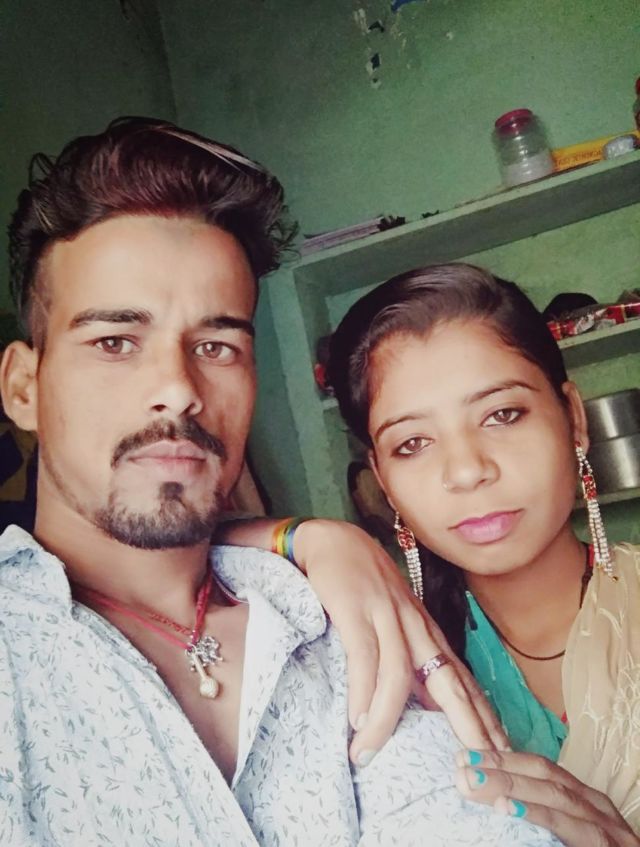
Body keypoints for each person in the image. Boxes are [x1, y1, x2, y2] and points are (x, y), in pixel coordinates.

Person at [0, 118, 558, 846]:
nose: (178, 388)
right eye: (115, 341)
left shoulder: (329, 619)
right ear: (23, 387)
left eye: (216, 345)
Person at [326, 261, 640, 846]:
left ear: (573, 419)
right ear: (383, 479)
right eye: (413, 443)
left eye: (502, 414)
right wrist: (309, 538)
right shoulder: (386, 676)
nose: (467, 470)